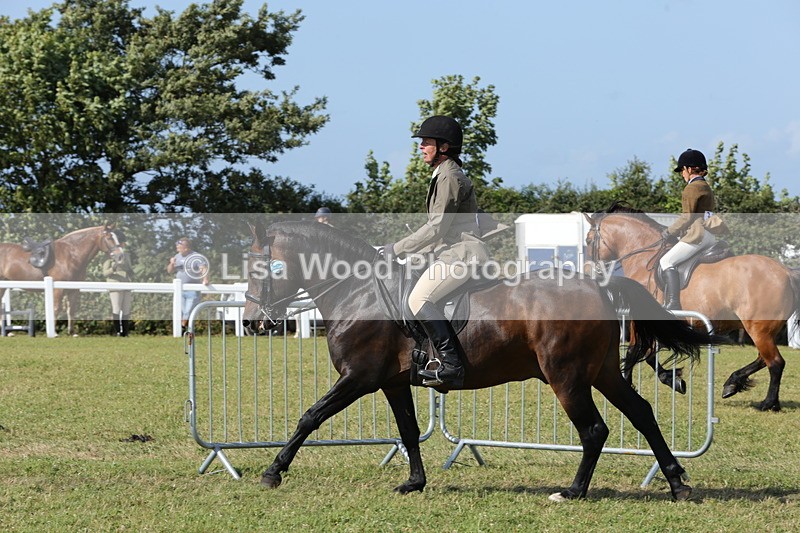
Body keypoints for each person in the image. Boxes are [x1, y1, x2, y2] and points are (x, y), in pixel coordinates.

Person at [382, 116, 488, 388]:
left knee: (418, 300)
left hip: (463, 254)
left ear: (443, 147)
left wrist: (397, 248)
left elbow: (437, 227)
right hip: (451, 252)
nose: (420, 147)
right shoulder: (443, 175)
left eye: (426, 142)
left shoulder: (450, 177)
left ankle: (452, 365)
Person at [659, 148, 717, 310]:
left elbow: (687, 217)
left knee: (666, 261)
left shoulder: (692, 188)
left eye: (682, 170)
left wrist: (669, 231)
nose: (682, 174)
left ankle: (673, 303)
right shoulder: (706, 186)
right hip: (709, 235)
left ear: (689, 169)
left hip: (697, 235)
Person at [167, 237, 209, 329]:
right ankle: (186, 330)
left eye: (179, 245)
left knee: (188, 311)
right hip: (180, 290)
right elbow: (169, 271)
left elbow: (203, 268)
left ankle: (182, 328)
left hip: (193, 290)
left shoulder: (196, 256)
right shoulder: (177, 256)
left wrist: (205, 279)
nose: (177, 247)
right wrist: (172, 263)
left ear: (186, 247)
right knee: (182, 311)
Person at [102, 230, 134, 336]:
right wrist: (113, 267)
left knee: (126, 309)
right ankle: (117, 331)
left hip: (126, 283)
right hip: (115, 284)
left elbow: (129, 269)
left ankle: (125, 332)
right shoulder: (108, 257)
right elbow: (105, 273)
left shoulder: (126, 255)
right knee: (116, 308)